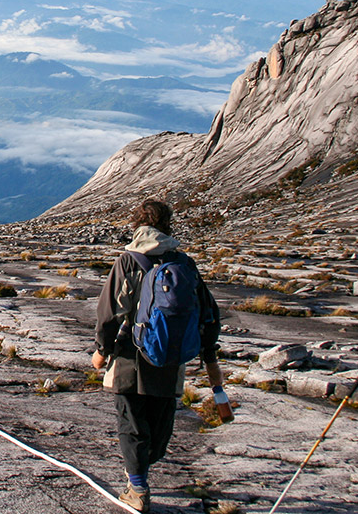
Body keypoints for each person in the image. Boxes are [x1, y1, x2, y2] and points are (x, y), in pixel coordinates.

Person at [92, 200, 221, 513]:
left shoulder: (128, 261)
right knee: (159, 428)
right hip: (171, 358)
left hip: (129, 358)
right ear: (168, 226)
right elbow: (207, 312)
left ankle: (137, 487)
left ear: (136, 225)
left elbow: (109, 311)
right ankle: (139, 473)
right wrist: (208, 353)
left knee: (132, 424)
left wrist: (101, 349)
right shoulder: (184, 264)